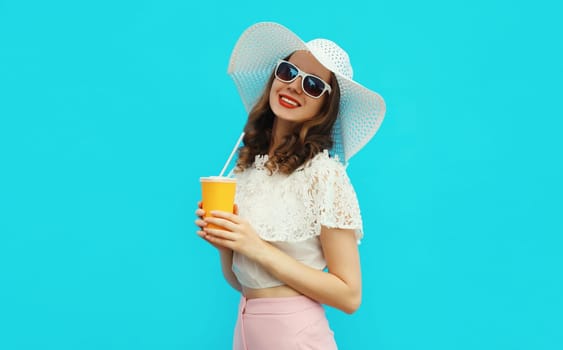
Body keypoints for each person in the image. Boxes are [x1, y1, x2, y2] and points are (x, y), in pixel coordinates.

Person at [195, 22, 386, 350]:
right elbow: (245, 283)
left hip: (295, 337)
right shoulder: (246, 170)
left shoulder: (324, 176)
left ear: (325, 107)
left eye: (312, 85)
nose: (295, 86)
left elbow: (350, 295)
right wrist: (226, 245)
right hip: (245, 331)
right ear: (274, 78)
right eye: (288, 71)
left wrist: (256, 246)